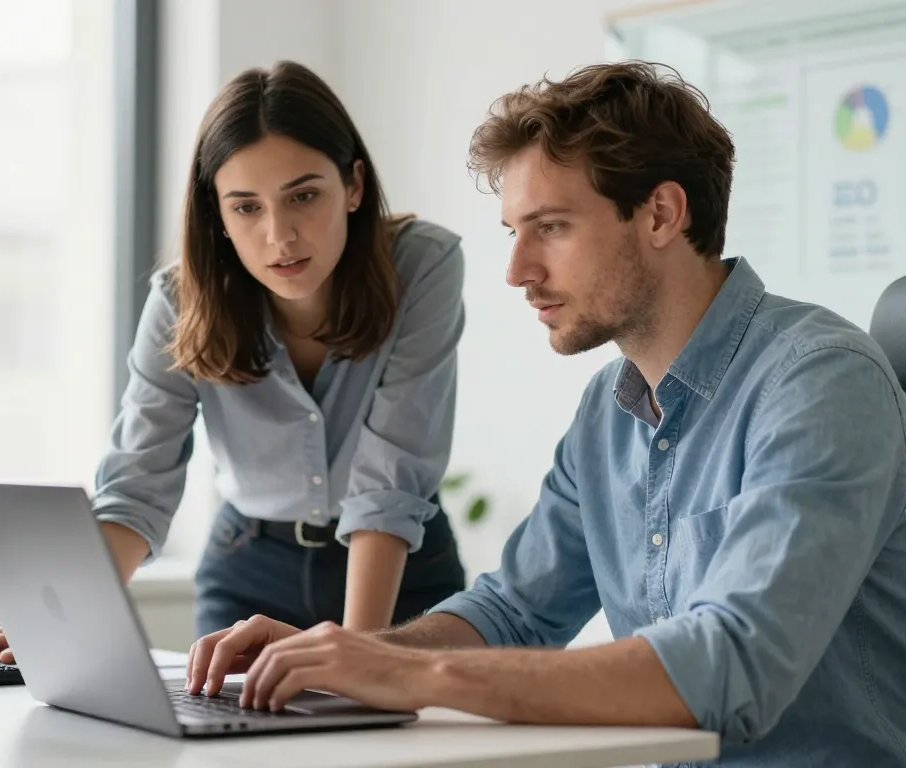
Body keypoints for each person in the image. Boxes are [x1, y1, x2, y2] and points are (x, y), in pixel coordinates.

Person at [184, 61, 906, 767]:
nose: (517, 270)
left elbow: (733, 664)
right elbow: (514, 613)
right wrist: (348, 656)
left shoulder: (819, 382)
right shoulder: (610, 409)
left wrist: (415, 677)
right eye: (513, 232)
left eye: (551, 227)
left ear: (661, 214)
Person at [0, 60, 467, 661]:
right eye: (246, 207)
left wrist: (359, 657)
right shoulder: (181, 301)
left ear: (353, 185)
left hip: (400, 570)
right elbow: (136, 486)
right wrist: (52, 627)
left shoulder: (421, 266)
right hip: (249, 571)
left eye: (303, 195)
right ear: (218, 215)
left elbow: (391, 482)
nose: (279, 236)